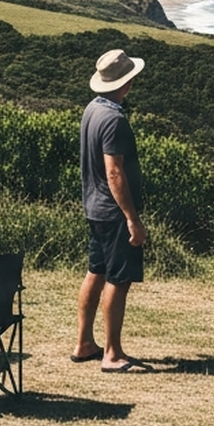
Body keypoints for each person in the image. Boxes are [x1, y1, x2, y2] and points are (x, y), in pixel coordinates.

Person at [72, 48, 151, 373]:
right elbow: (114, 172)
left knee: (96, 272)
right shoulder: (115, 120)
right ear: (126, 83)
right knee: (118, 280)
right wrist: (132, 218)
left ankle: (84, 343)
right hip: (113, 211)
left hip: (94, 206)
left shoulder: (92, 109)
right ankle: (112, 354)